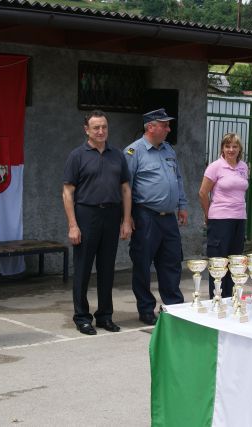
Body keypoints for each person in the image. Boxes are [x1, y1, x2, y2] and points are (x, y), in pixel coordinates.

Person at [62, 110, 133, 335]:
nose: (101, 131)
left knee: (106, 269)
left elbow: (125, 189)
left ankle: (105, 316)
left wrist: (126, 220)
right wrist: (73, 224)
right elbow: (67, 192)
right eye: (96, 128)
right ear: (87, 130)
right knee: (83, 269)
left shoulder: (118, 155)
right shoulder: (77, 156)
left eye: (104, 127)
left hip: (111, 216)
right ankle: (82, 317)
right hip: (86, 215)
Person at [124, 108, 187, 326]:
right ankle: (145, 308)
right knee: (142, 263)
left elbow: (178, 179)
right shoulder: (134, 152)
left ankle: (173, 306)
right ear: (151, 127)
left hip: (168, 217)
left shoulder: (169, 150)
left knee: (171, 262)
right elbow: (126, 187)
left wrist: (182, 205)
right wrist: (127, 217)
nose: (169, 129)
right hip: (145, 216)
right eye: (164, 125)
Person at [198, 133, 249, 298]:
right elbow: (203, 193)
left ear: (240, 149)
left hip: (239, 219)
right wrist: (208, 214)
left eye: (235, 146)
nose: (231, 150)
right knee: (219, 262)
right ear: (222, 148)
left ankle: (231, 299)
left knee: (235, 262)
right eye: (227, 146)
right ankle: (217, 299)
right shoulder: (215, 167)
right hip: (220, 219)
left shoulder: (243, 167)